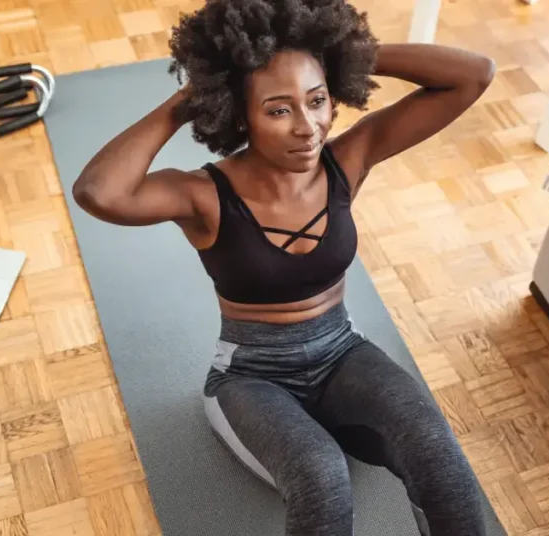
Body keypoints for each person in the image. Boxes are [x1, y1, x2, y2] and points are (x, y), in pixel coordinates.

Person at [73, 1, 495, 534]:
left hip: (342, 354)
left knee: (438, 454)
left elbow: (473, 75)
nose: (308, 127)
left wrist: (344, 53)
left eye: (317, 100)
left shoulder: (347, 161)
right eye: (278, 110)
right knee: (322, 477)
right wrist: (187, 101)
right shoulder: (205, 195)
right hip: (250, 378)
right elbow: (99, 192)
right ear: (239, 114)